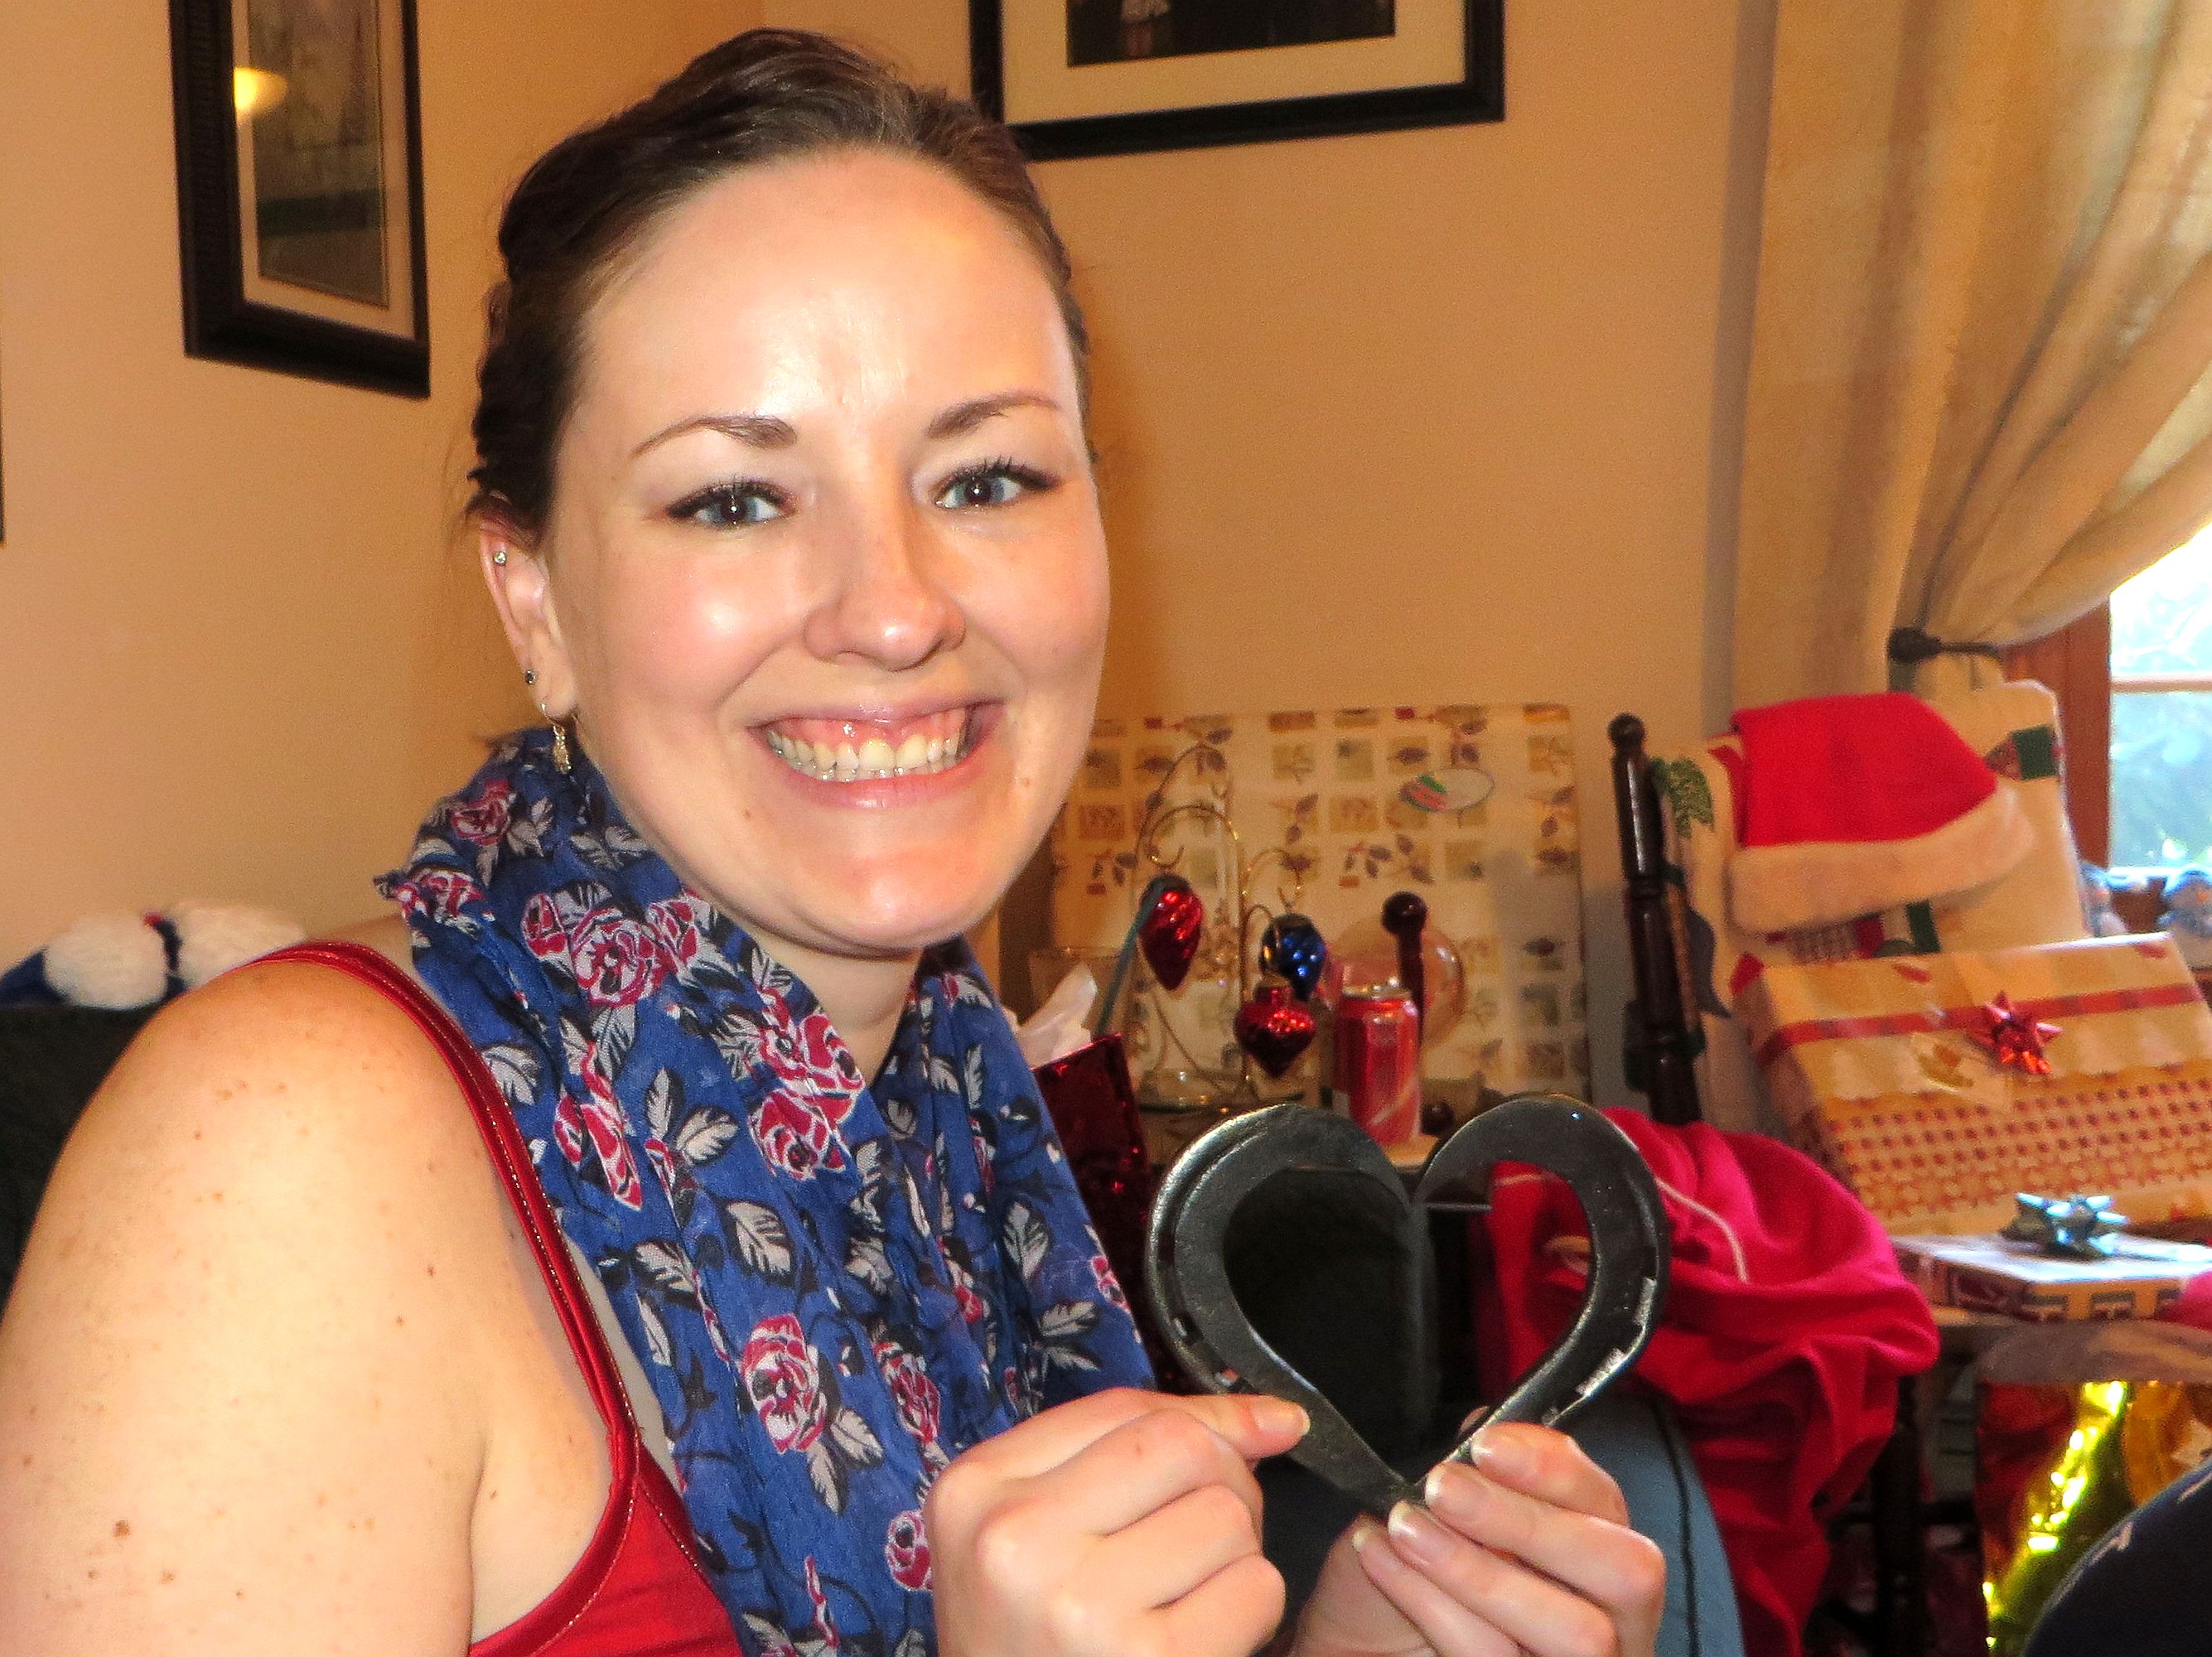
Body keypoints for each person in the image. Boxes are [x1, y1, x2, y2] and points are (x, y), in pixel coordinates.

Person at [0, 29, 1664, 1657]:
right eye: (733, 499)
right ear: (535, 598)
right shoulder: (277, 1158)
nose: (893, 609)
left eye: (987, 479)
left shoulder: (954, 1115)